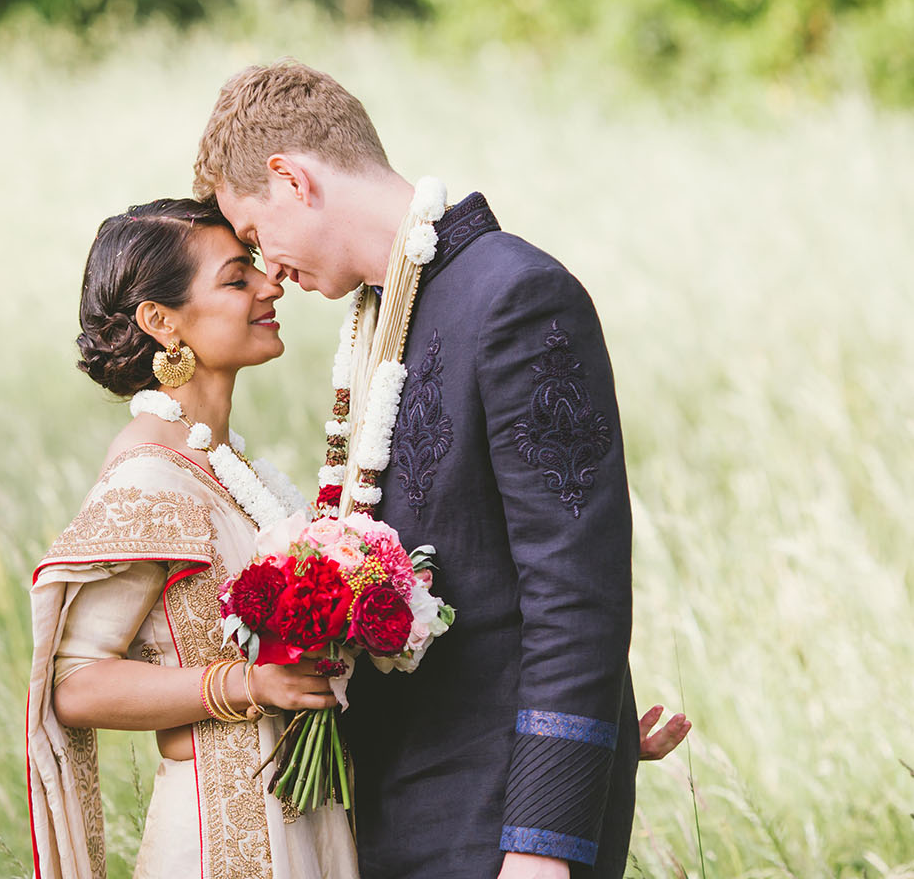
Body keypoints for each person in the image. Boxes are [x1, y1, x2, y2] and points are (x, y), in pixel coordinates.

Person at [192, 61, 689, 879]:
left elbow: (577, 587)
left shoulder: (516, 297)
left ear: (290, 178)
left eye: (254, 234)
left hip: (500, 823)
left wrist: (543, 842)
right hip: (405, 796)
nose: (267, 268)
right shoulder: (385, 313)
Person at [26, 199, 360, 878]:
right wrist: (248, 684)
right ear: (161, 321)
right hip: (222, 839)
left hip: (305, 823)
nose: (271, 287)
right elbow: (75, 685)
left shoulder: (225, 463)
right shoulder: (152, 475)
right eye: (238, 279)